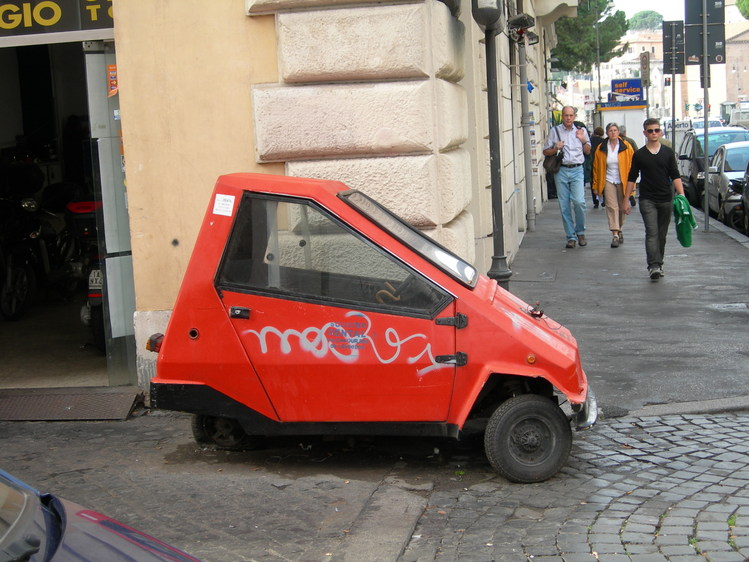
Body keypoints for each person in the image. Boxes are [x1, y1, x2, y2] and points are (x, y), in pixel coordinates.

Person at [624, 118, 685, 280]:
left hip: (666, 198)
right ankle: (653, 266)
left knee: (662, 234)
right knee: (652, 232)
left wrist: (682, 194)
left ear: (661, 132)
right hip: (647, 199)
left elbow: (675, 174)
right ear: (645, 133)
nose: (654, 133)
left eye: (656, 130)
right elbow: (632, 177)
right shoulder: (639, 155)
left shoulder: (667, 152)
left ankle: (659, 262)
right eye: (650, 131)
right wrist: (626, 200)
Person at [543, 106, 591, 248]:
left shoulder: (581, 131)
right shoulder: (555, 131)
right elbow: (546, 151)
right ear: (562, 116)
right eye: (565, 115)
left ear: (574, 116)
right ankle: (571, 236)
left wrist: (583, 140)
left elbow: (588, 151)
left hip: (577, 170)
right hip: (561, 170)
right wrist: (556, 148)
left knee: (579, 202)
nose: (568, 118)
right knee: (564, 206)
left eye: (570, 115)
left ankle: (580, 232)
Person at [592, 123, 634, 248]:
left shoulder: (626, 147)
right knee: (611, 206)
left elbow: (632, 165)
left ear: (618, 132)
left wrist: (633, 184)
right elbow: (596, 167)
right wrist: (595, 185)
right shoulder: (601, 148)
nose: (613, 133)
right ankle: (615, 234)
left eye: (615, 130)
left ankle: (620, 228)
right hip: (608, 180)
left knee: (622, 207)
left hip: (623, 180)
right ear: (607, 133)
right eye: (610, 130)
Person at [620, 125, 639, 207]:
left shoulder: (616, 141)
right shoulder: (630, 141)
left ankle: (627, 196)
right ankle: (630, 195)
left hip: (621, 166)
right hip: (630, 164)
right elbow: (637, 152)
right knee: (630, 180)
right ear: (625, 132)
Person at [589, 126, 605, 208]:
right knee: (602, 179)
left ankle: (595, 202)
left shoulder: (590, 140)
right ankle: (603, 199)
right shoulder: (603, 141)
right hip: (601, 163)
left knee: (593, 182)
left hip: (591, 163)